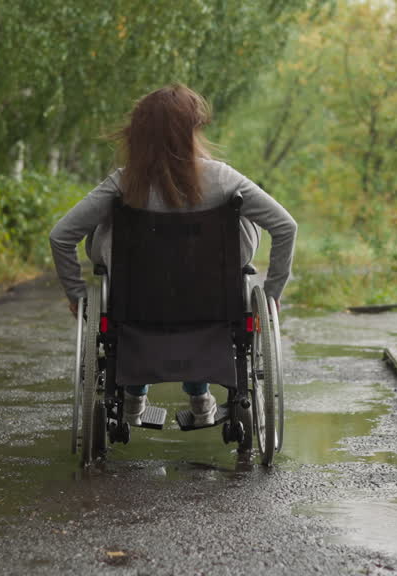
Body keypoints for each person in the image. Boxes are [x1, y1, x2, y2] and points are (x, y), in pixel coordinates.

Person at [49, 83, 297, 427]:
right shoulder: (223, 179)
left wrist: (77, 295)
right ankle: (201, 400)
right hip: (213, 303)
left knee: (120, 264)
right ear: (191, 131)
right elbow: (285, 226)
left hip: (136, 304)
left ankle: (133, 399)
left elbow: (61, 236)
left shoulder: (122, 184)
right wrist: (271, 294)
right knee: (233, 239)